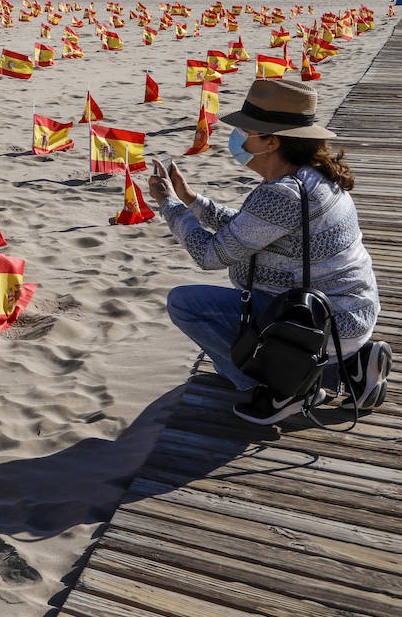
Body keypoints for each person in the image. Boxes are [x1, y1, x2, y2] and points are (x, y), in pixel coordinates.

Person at [148, 77, 390, 424]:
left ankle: (284, 390)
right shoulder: (311, 178)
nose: (238, 138)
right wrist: (192, 201)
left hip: (315, 324)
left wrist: (170, 206)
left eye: (247, 131)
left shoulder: (281, 195)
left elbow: (210, 255)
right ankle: (350, 366)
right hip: (347, 313)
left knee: (184, 304)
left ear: (271, 142)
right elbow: (250, 230)